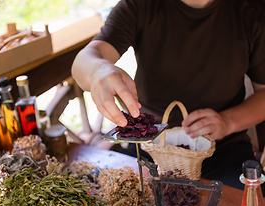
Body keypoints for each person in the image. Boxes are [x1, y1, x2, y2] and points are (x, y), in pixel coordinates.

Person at [71, 0, 265, 190]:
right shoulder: (140, 6)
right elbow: (85, 60)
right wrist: (98, 69)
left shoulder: (252, 12)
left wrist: (227, 121)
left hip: (223, 152)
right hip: (149, 149)